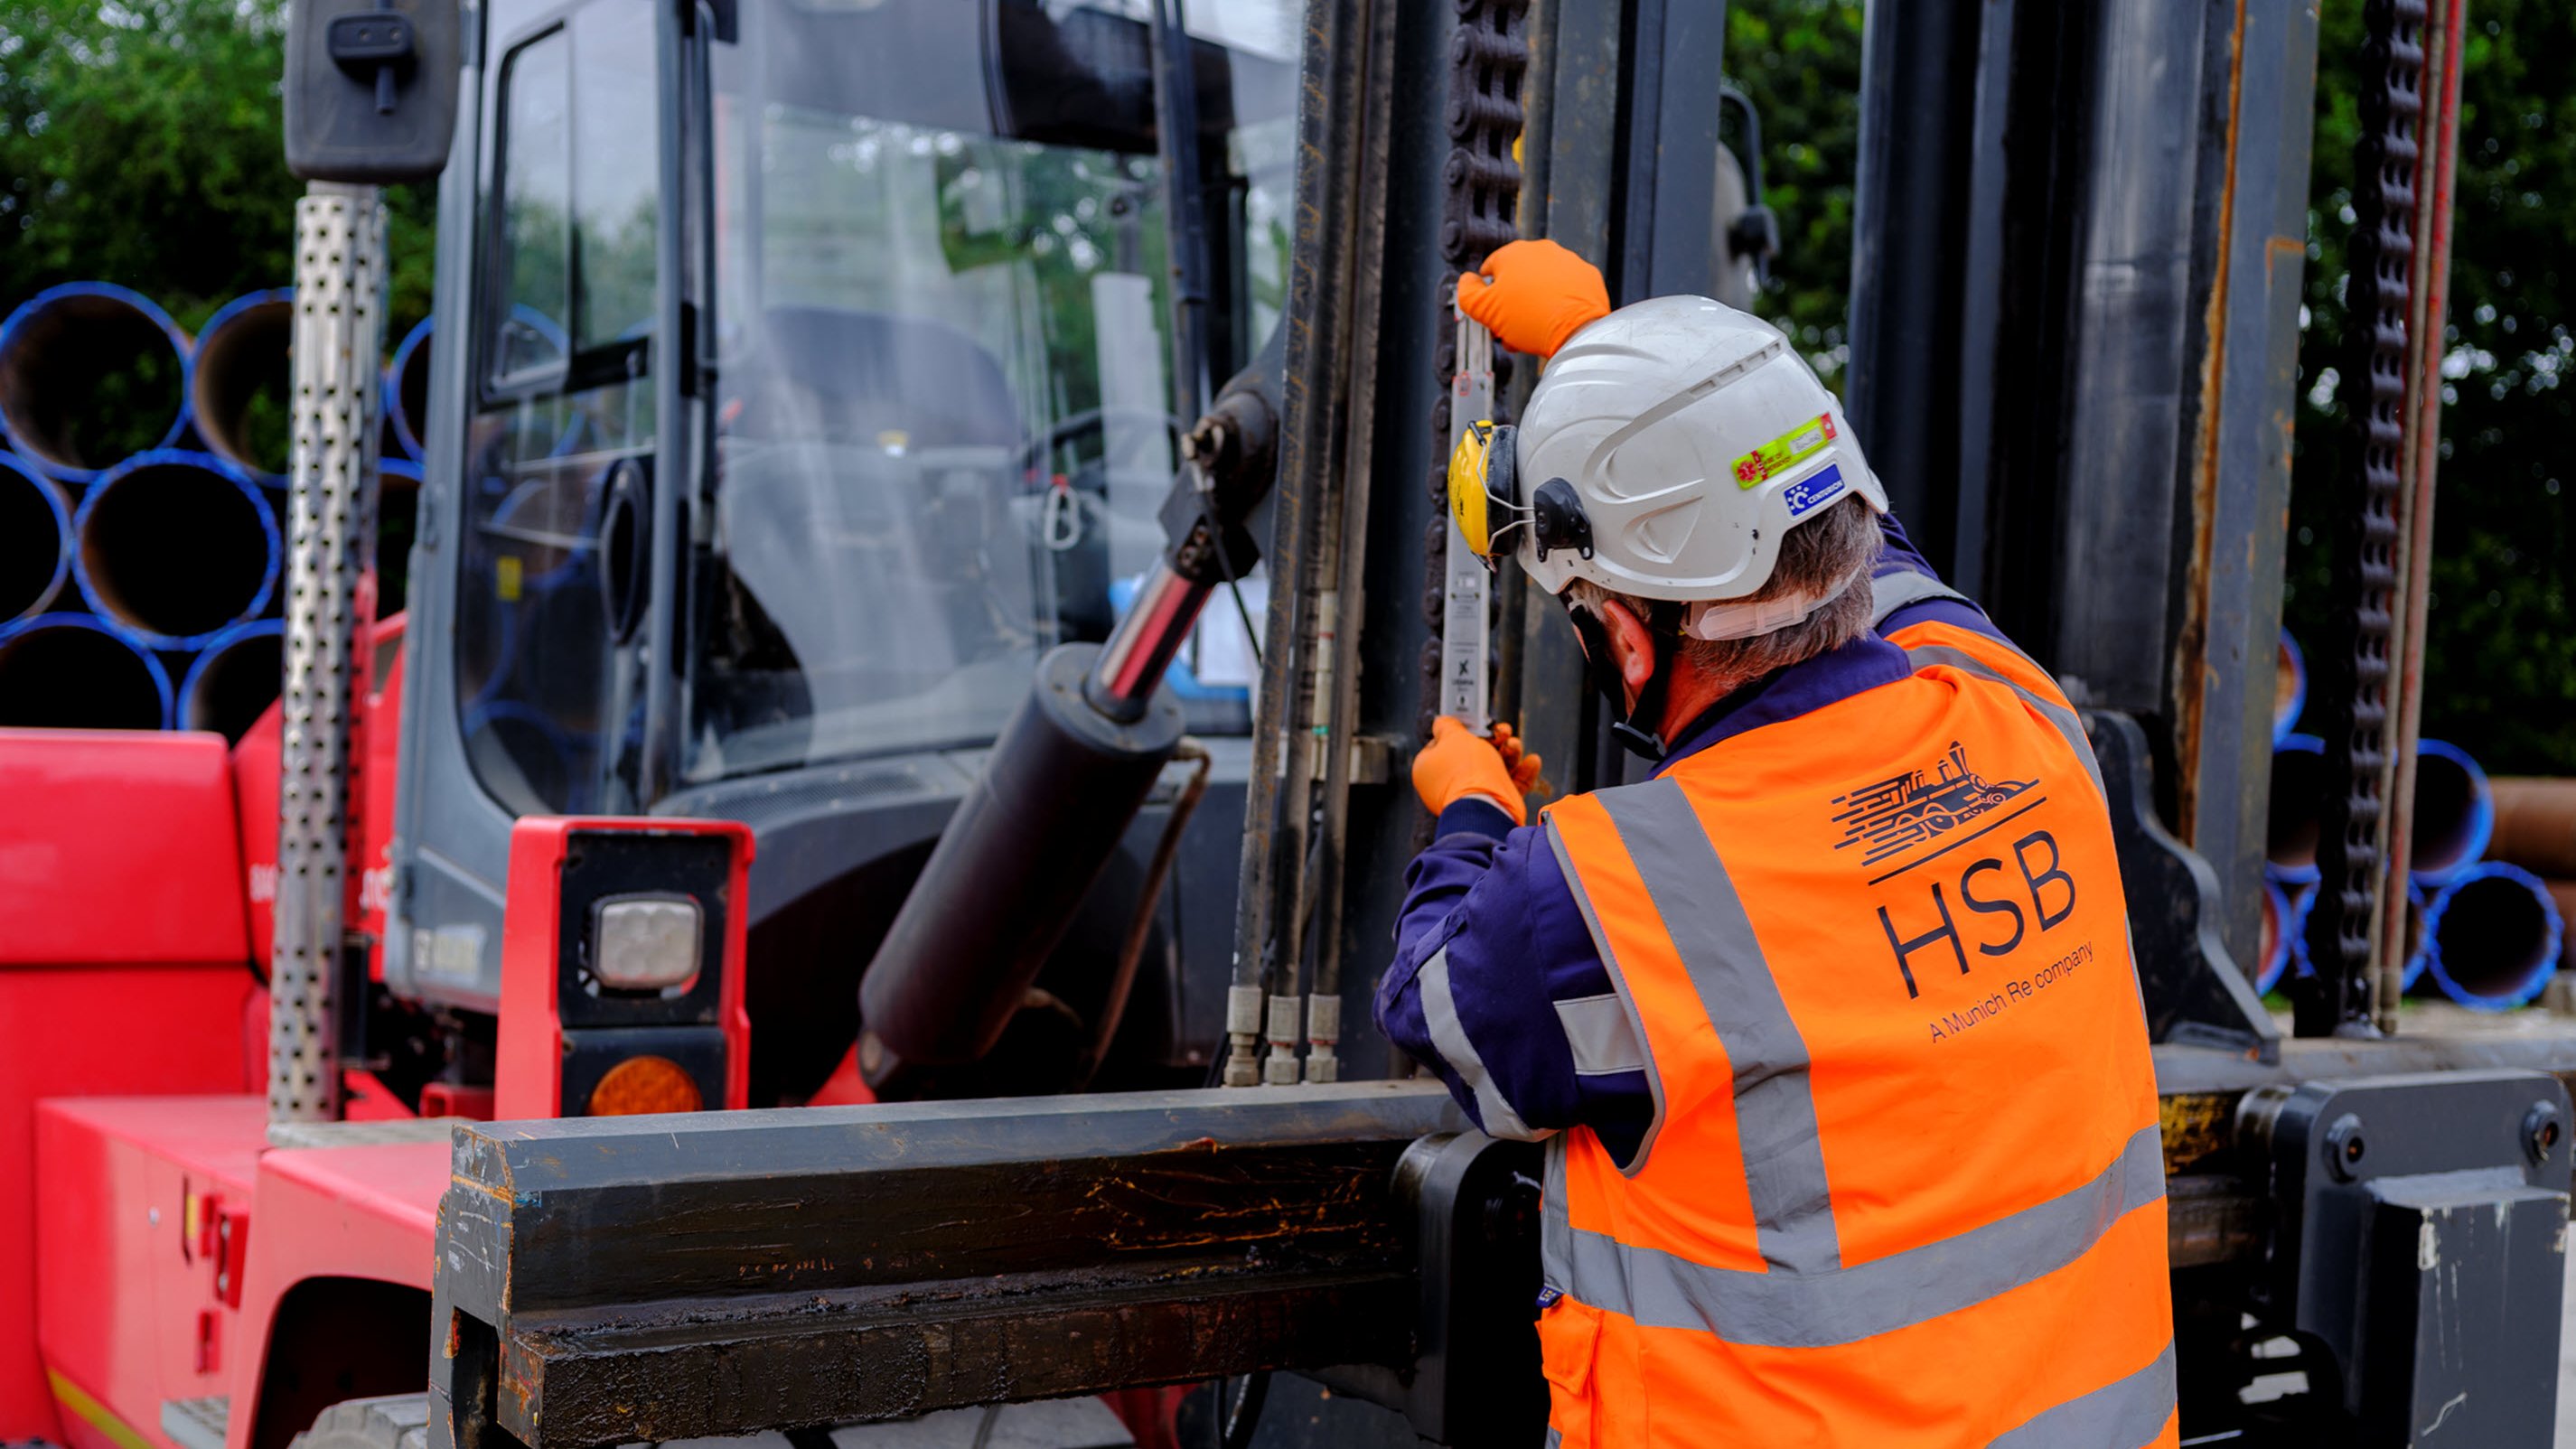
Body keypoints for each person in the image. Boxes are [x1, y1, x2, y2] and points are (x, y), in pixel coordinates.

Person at [1376, 240, 2175, 1448]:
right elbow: (1850, 540)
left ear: (1629, 645)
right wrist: (1618, 365)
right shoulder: (2022, 713)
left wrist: (1474, 811)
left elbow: (1440, 1010)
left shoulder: (1618, 891)